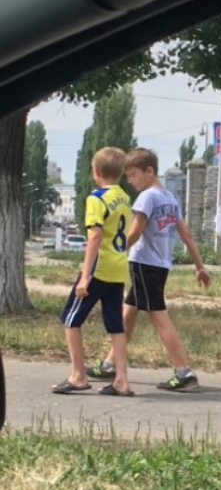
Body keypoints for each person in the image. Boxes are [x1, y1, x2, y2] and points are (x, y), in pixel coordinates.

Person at [85, 148, 211, 392]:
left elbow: (134, 231)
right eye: (128, 176)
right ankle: (111, 363)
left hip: (144, 263)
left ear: (149, 171)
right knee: (129, 311)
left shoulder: (146, 197)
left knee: (158, 316)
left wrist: (116, 252)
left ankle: (184, 371)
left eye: (132, 175)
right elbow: (185, 233)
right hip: (160, 264)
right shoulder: (170, 198)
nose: (130, 181)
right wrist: (199, 266)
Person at [52, 147, 134, 397]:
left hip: (99, 268)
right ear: (121, 173)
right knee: (115, 324)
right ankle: (121, 379)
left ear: (95, 172)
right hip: (118, 267)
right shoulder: (124, 198)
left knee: (70, 318)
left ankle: (78, 375)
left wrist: (84, 275)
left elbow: (95, 234)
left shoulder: (96, 198)